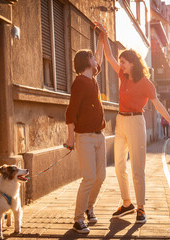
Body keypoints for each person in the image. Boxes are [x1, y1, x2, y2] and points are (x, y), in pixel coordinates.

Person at [95, 22, 170, 224]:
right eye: (121, 62)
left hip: (136, 122)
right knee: (118, 165)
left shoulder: (145, 83)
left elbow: (159, 106)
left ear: (133, 63)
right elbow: (108, 56)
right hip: (121, 121)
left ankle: (141, 208)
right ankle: (127, 203)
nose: (121, 64)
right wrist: (104, 35)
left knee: (137, 167)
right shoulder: (123, 75)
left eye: (123, 61)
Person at [65, 33, 106, 234]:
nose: (95, 59)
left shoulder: (92, 79)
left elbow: (98, 56)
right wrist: (70, 137)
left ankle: (90, 207)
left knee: (101, 176)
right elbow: (71, 111)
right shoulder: (80, 82)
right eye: (92, 57)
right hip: (85, 137)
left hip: (99, 136)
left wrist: (101, 40)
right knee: (89, 177)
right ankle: (78, 219)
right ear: (86, 62)